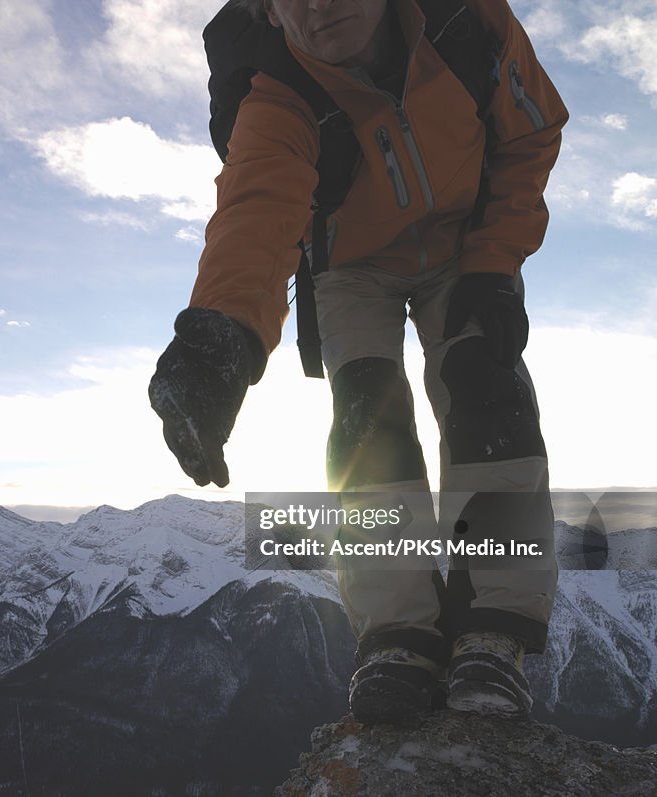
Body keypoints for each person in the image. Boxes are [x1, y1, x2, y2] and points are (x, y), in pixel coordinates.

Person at [148, 0, 567, 724]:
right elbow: (256, 214)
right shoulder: (277, 95)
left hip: (467, 244)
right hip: (352, 267)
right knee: (367, 423)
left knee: (487, 393)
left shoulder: (468, 22)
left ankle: (494, 627)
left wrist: (497, 264)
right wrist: (220, 340)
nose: (318, 5)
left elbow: (530, 133)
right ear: (269, 15)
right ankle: (398, 633)